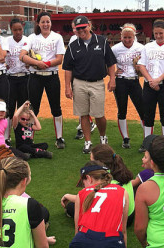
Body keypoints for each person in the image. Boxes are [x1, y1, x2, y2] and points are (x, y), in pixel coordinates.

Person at [63, 15, 117, 154]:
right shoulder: (73, 46)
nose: (81, 31)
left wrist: (112, 79)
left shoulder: (102, 41)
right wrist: (67, 87)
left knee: (99, 114)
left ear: (89, 25)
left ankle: (103, 137)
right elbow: (68, 68)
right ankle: (87, 142)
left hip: (97, 83)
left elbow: (110, 62)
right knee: (83, 114)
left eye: (83, 27)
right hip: (79, 83)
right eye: (78, 28)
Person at [20, 12, 65, 149]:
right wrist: (36, 62)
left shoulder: (57, 37)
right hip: (35, 76)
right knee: (33, 109)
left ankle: (59, 138)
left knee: (56, 108)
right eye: (43, 22)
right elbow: (22, 56)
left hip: (51, 75)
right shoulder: (32, 38)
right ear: (38, 24)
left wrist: (45, 64)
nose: (46, 24)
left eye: (48, 22)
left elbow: (59, 59)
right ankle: (29, 138)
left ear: (51, 23)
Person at [138, 20, 164, 148]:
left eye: (161, 33)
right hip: (149, 85)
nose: (158, 36)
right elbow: (141, 65)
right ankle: (147, 142)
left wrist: (158, 79)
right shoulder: (147, 47)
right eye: (156, 33)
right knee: (148, 113)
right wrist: (151, 80)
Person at [111, 23, 144, 149]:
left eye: (130, 37)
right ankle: (125, 138)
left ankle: (146, 138)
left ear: (134, 36)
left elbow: (146, 64)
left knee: (142, 109)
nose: (127, 40)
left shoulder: (141, 48)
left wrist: (140, 69)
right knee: (122, 110)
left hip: (134, 81)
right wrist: (113, 73)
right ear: (121, 36)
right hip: (121, 81)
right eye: (125, 37)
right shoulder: (116, 49)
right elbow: (108, 62)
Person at [6, 18, 30, 143]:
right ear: (11, 29)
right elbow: (2, 57)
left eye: (20, 29)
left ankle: (22, 136)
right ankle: (7, 136)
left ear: (23, 27)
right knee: (9, 108)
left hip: (25, 78)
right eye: (15, 30)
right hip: (10, 78)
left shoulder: (28, 40)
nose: (18, 32)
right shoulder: (6, 41)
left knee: (23, 108)